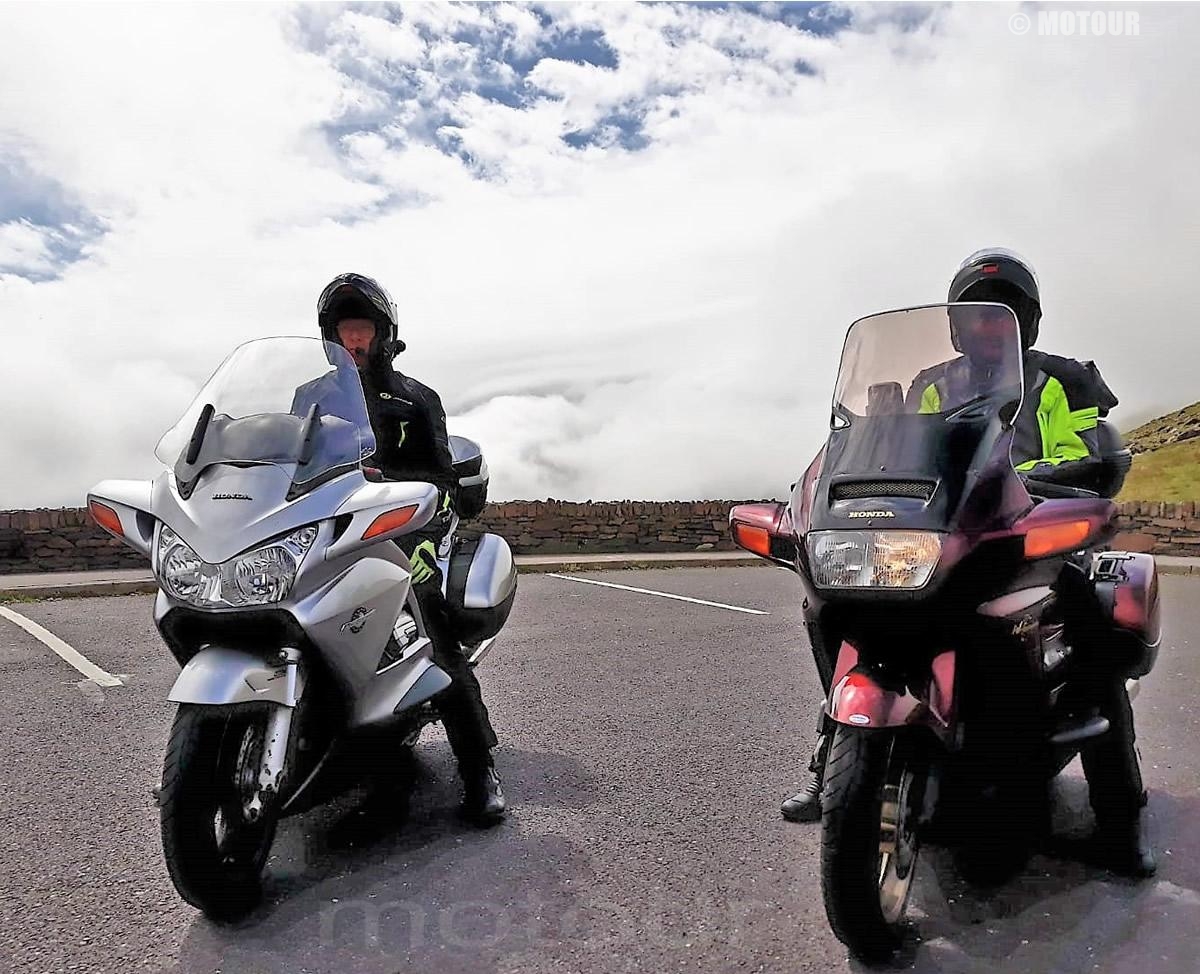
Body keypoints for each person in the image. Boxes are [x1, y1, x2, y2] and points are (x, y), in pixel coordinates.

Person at [780, 249, 1155, 878]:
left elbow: (1093, 448)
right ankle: (834, 754)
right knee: (832, 603)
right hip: (950, 529)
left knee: (1094, 625)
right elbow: (890, 447)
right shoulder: (931, 382)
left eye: (1003, 313)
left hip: (1031, 521)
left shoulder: (1061, 380)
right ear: (956, 325)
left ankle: (1118, 817)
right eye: (978, 315)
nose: (988, 326)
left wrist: (1065, 476)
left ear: (1025, 322)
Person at [316, 272, 506, 826]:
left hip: (401, 535)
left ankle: (478, 768)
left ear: (381, 335)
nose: (353, 340)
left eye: (362, 329)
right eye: (344, 329)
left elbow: (444, 481)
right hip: (325, 534)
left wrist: (422, 541)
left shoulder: (416, 398)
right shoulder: (308, 399)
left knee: (430, 635)